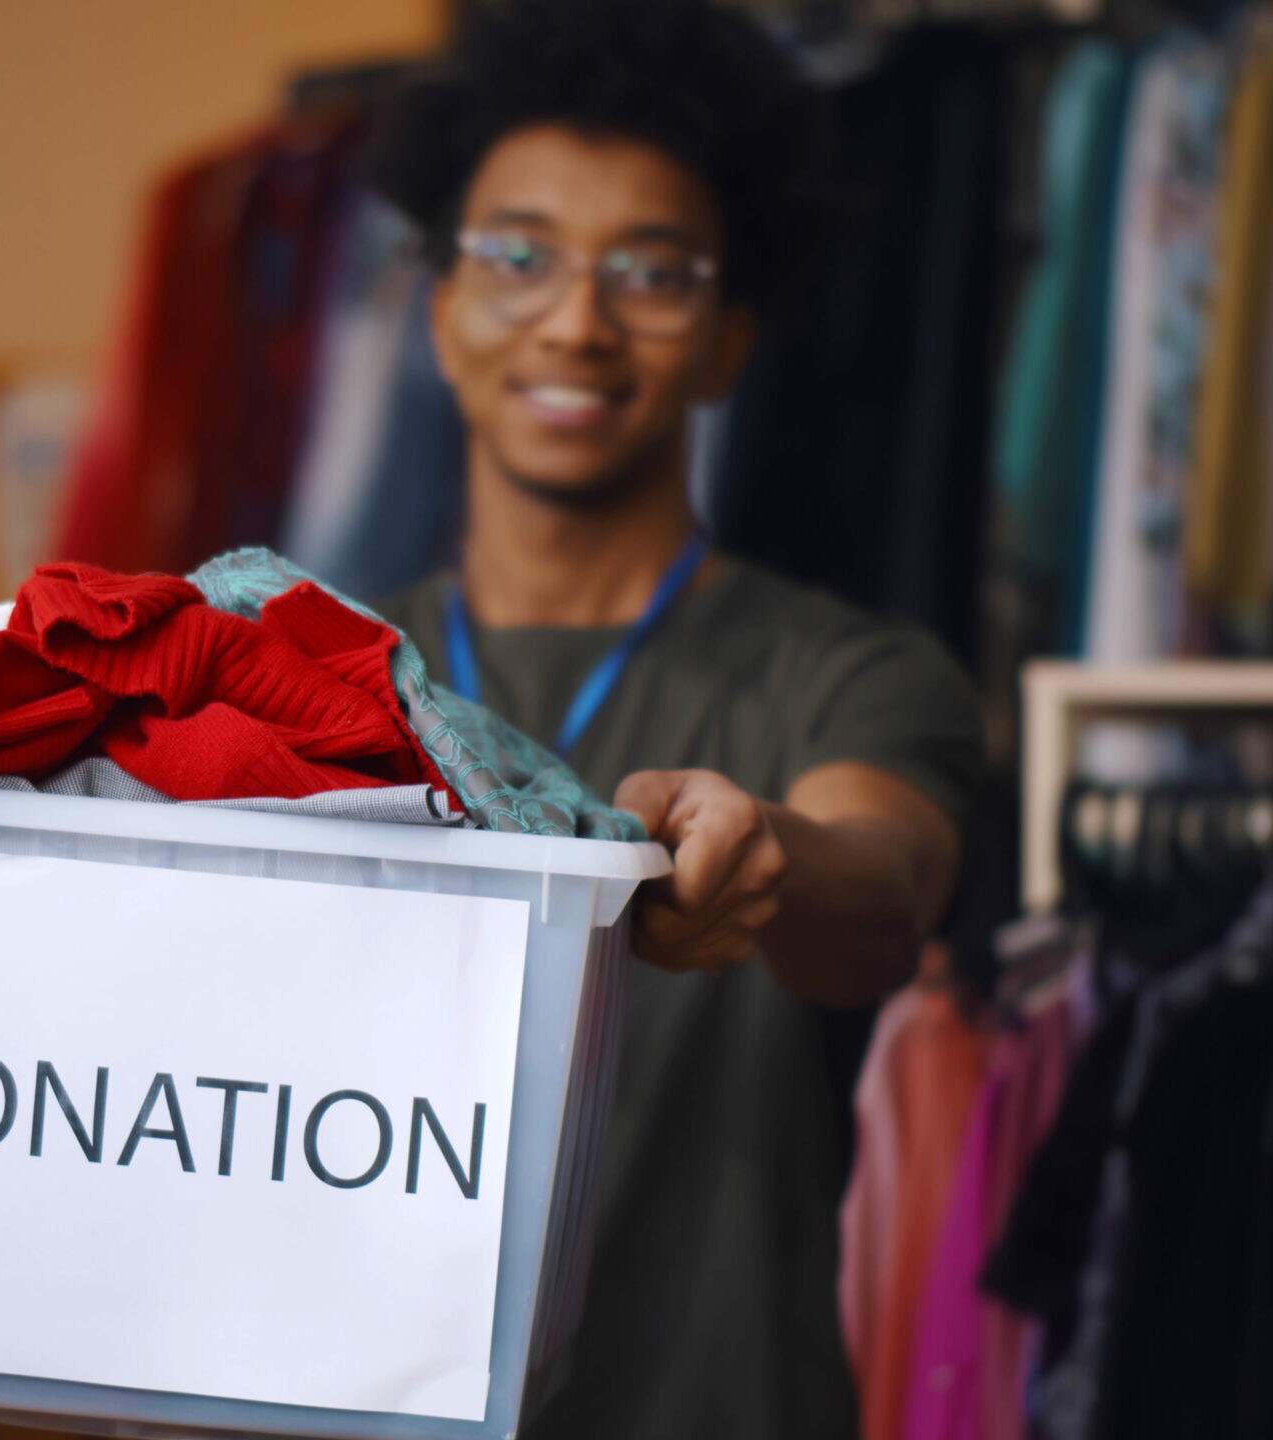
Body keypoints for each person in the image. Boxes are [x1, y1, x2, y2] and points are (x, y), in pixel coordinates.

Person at [366, 1, 983, 1436]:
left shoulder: (852, 675)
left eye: (650, 272)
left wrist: (767, 852)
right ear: (443, 315)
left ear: (725, 343)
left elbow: (880, 890)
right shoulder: (303, 675)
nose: (577, 322)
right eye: (518, 258)